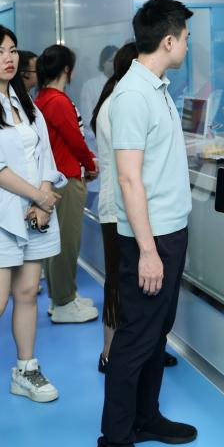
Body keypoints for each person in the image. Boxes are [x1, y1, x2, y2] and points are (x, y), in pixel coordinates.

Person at [93, 0, 196, 447]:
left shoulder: (157, 89)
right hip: (149, 239)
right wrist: (148, 251)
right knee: (134, 340)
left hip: (171, 231)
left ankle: (145, 417)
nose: (188, 45)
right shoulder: (133, 95)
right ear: (169, 41)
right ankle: (113, 446)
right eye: (186, 38)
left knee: (156, 333)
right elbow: (129, 179)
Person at [0, 25, 65, 403]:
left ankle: (26, 370)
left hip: (34, 213)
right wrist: (39, 196)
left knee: (27, 293)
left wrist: (42, 198)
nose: (9, 58)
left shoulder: (26, 103)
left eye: (13, 50)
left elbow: (45, 156)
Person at [35, 45, 100, 323]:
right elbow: (76, 140)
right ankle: (64, 302)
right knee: (66, 243)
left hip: (56, 177)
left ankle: (62, 296)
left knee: (56, 243)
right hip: (67, 178)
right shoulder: (58, 101)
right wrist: (91, 164)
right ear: (66, 69)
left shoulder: (42, 99)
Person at [90, 42, 137, 373]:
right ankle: (109, 353)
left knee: (120, 283)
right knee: (118, 284)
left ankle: (121, 350)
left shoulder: (115, 98)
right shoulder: (119, 104)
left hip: (117, 205)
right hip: (117, 208)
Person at [79, 44, 118, 126]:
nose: (115, 64)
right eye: (112, 60)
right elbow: (87, 120)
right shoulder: (90, 86)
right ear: (103, 62)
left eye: (117, 60)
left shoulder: (123, 84)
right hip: (97, 133)